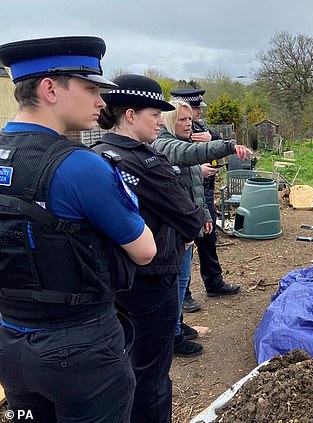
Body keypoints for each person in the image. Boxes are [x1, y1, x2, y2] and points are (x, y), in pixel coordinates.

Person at [0, 36, 156, 422]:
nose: (101, 102)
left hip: (9, 342)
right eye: (89, 89)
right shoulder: (80, 166)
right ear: (50, 89)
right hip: (79, 348)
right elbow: (145, 250)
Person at [92, 74, 205, 422]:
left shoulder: (95, 153)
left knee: (122, 361)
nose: (160, 121)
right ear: (129, 114)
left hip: (112, 280)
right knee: (152, 372)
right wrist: (186, 224)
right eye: (154, 114)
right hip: (153, 280)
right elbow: (190, 217)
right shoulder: (145, 162)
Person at [153, 99, 251, 356]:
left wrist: (205, 215)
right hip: (175, 228)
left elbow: (195, 188)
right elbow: (188, 158)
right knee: (176, 282)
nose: (189, 124)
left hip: (187, 224)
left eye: (189, 119)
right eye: (182, 120)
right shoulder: (164, 144)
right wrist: (227, 146)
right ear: (168, 121)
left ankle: (177, 323)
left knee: (183, 278)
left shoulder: (179, 141)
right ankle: (172, 335)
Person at [170, 89, 241, 311]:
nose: (197, 114)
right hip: (186, 197)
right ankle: (186, 296)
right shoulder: (173, 137)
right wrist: (196, 169)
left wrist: (214, 139)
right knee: (185, 248)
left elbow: (213, 142)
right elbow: (187, 155)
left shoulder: (200, 128)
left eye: (197, 111)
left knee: (208, 240)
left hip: (204, 192)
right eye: (192, 111)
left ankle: (214, 282)